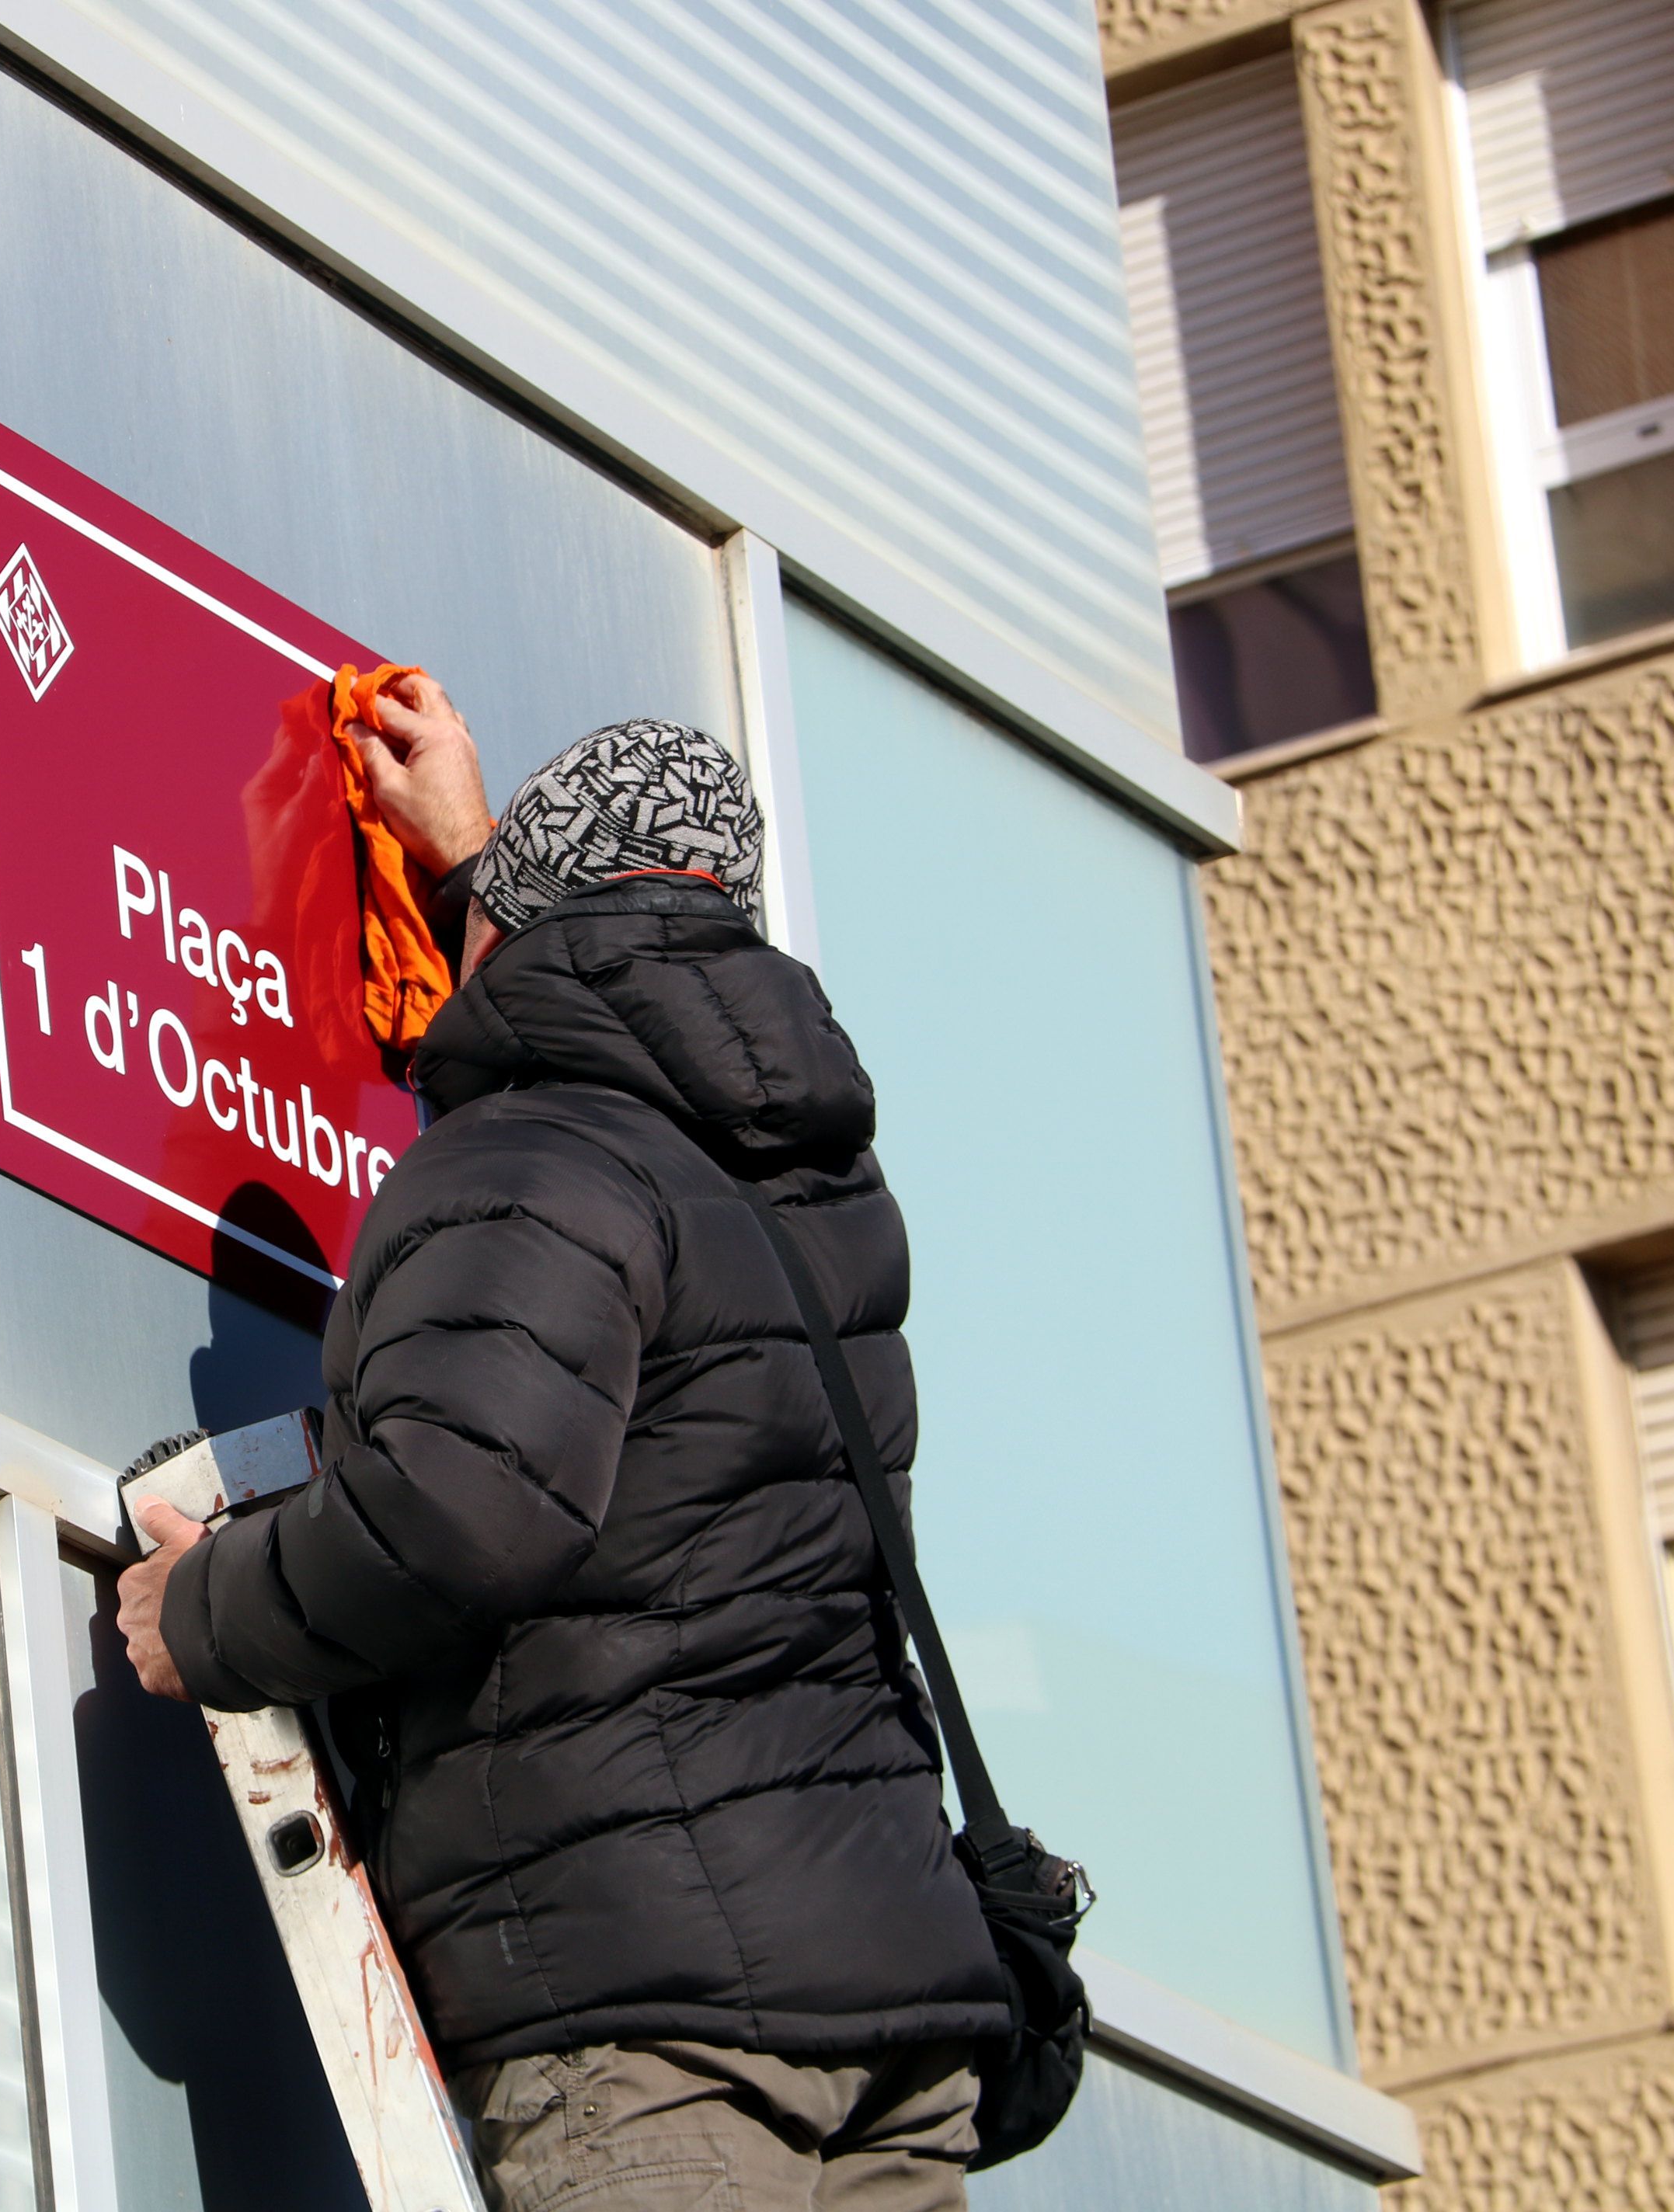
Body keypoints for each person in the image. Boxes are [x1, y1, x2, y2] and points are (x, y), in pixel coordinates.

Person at [117, 677, 1008, 2212]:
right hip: (892, 2004)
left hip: (650, 2012)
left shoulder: (533, 1155)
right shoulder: (817, 1185)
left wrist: (207, 1612)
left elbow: (464, 1507)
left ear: (518, 924)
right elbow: (619, 990)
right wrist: (487, 873)